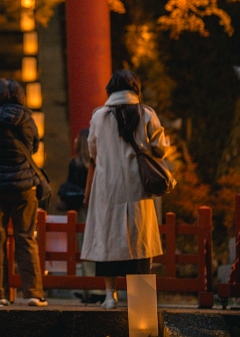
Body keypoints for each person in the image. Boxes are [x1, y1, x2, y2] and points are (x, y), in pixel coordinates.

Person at [81, 69, 170, 309]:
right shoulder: (146, 114)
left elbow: (92, 151)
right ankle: (141, 301)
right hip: (137, 189)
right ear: (135, 90)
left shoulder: (99, 117)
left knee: (109, 242)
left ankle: (111, 295)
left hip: (107, 190)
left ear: (111, 89)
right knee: (140, 243)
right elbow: (160, 149)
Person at [0, 78, 48, 307]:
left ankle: (0, 295)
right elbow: (34, 147)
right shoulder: (27, 121)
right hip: (23, 186)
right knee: (26, 238)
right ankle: (34, 293)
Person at [56, 128, 91, 211]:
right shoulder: (97, 164)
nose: (75, 140)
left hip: (78, 206)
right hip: (93, 204)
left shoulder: (75, 163)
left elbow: (70, 184)